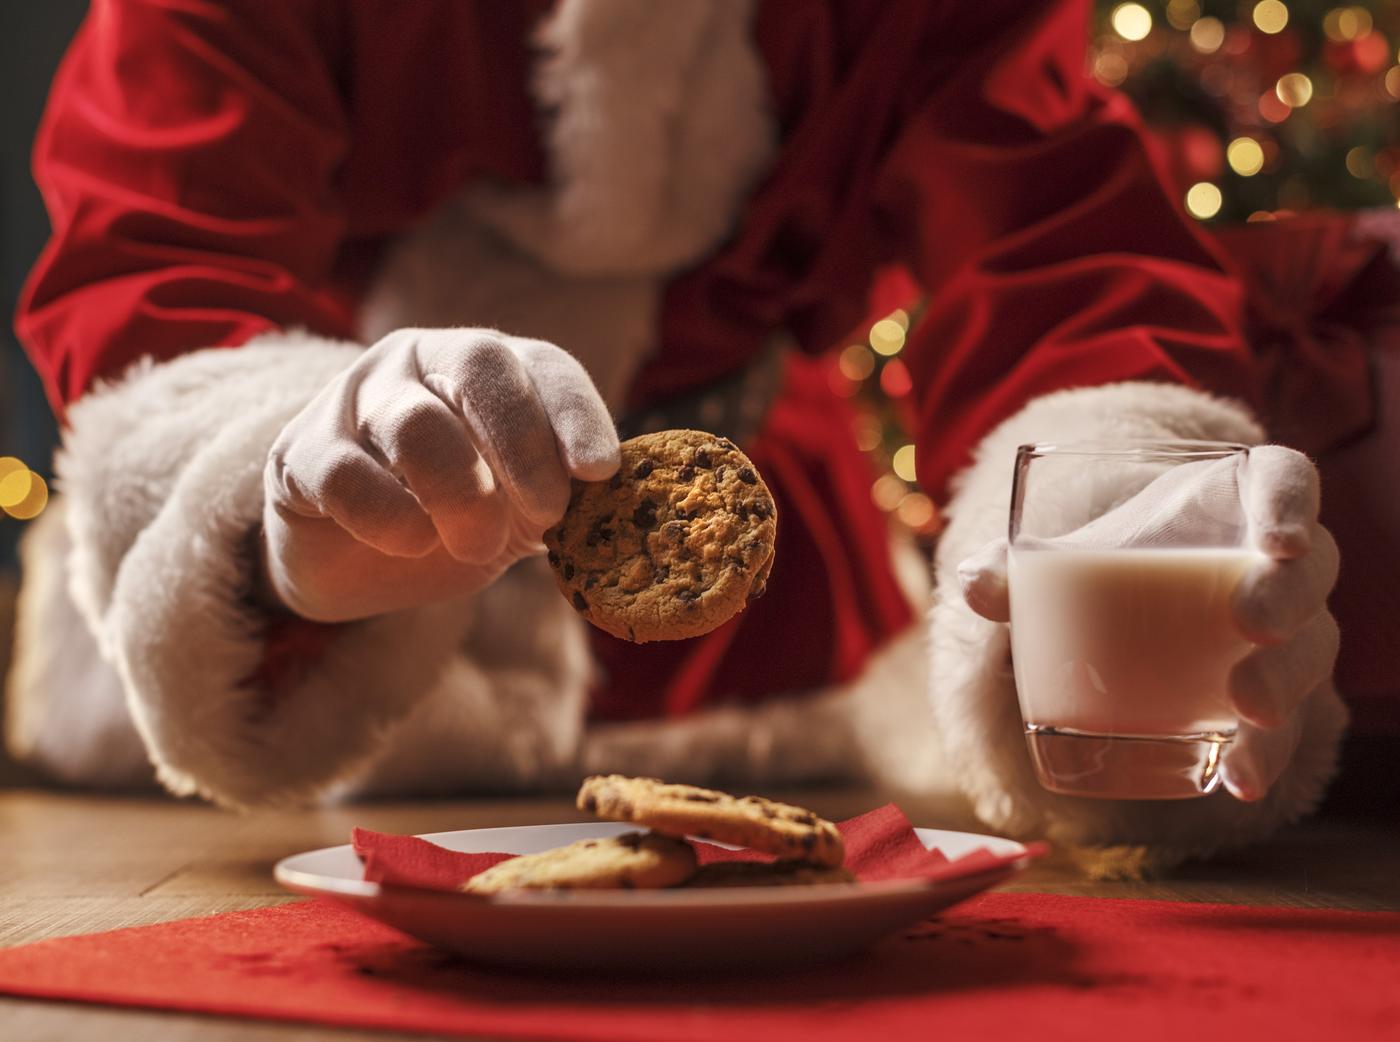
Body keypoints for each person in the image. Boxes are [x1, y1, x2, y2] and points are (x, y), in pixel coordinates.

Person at [6, 0, 1346, 864]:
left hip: (762, 653)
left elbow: (1067, 254)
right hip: (299, 657)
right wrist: (279, 496)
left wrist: (1117, 556)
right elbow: (158, 255)